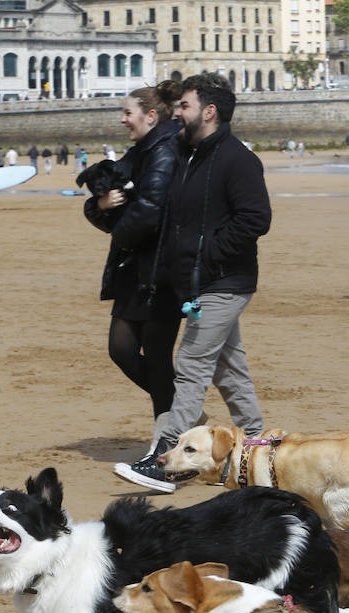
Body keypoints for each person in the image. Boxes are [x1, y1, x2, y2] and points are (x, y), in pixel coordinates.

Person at [114, 72, 270, 492]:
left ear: (209, 111)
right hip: (197, 284)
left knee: (191, 365)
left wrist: (208, 252)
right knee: (229, 369)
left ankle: (164, 461)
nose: (177, 113)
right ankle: (258, 448)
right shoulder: (188, 153)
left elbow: (256, 219)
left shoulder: (238, 159)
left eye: (184, 106)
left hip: (226, 281)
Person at [84, 81, 186, 455]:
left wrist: (121, 235)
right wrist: (101, 207)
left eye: (128, 113)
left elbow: (150, 211)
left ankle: (167, 439)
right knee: (122, 350)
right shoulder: (139, 152)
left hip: (161, 269)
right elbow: (102, 201)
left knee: (157, 358)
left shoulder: (166, 150)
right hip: (133, 270)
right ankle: (182, 416)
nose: (123, 119)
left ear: (151, 115)